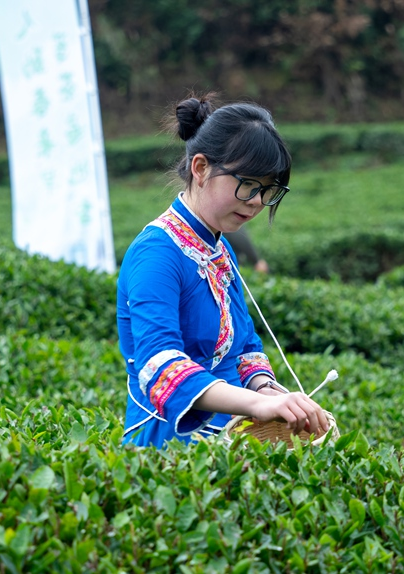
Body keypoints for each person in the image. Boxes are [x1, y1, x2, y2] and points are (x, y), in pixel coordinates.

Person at [116, 95, 329, 448]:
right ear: (200, 168)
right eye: (248, 184)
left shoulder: (219, 246)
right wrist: (260, 404)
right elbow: (162, 367)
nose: (258, 201)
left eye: (268, 190)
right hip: (168, 447)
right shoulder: (156, 254)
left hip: (232, 439)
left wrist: (276, 394)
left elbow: (244, 346)